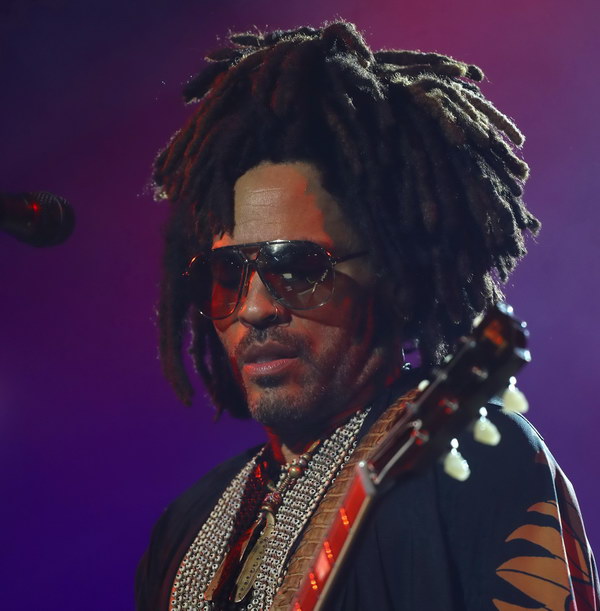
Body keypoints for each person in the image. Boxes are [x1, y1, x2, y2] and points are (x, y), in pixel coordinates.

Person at [136, 21, 599, 610]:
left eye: (296, 267)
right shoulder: (184, 529)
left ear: (396, 281)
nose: (253, 308)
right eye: (227, 275)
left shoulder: (473, 461)